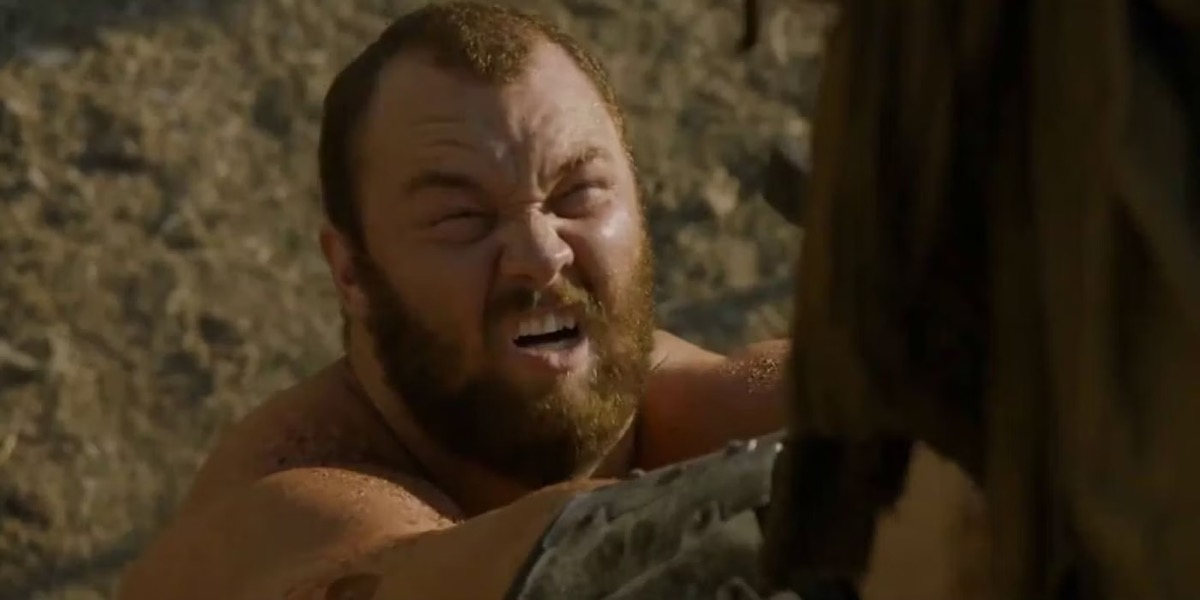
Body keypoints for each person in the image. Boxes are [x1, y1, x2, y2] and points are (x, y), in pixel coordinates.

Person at [117, 3, 989, 600]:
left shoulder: (704, 403)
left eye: (578, 195)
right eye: (461, 218)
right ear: (350, 269)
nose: (541, 255)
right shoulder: (281, 505)